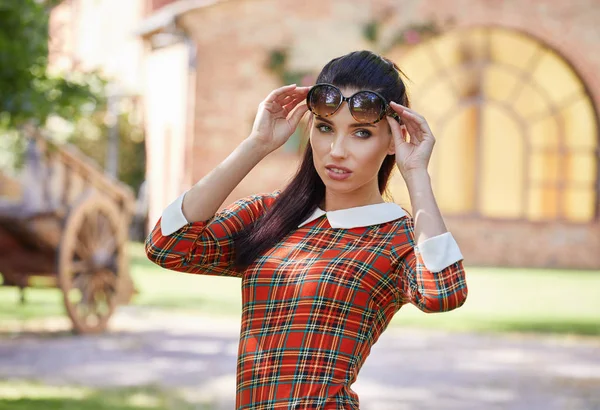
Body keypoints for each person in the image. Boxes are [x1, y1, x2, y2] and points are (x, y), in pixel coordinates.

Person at [145, 50, 468, 409]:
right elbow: (167, 246)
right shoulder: (271, 215)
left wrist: (416, 173)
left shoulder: (396, 237)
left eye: (361, 133)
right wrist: (256, 146)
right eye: (325, 128)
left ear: (393, 140)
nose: (337, 150)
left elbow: (443, 293)